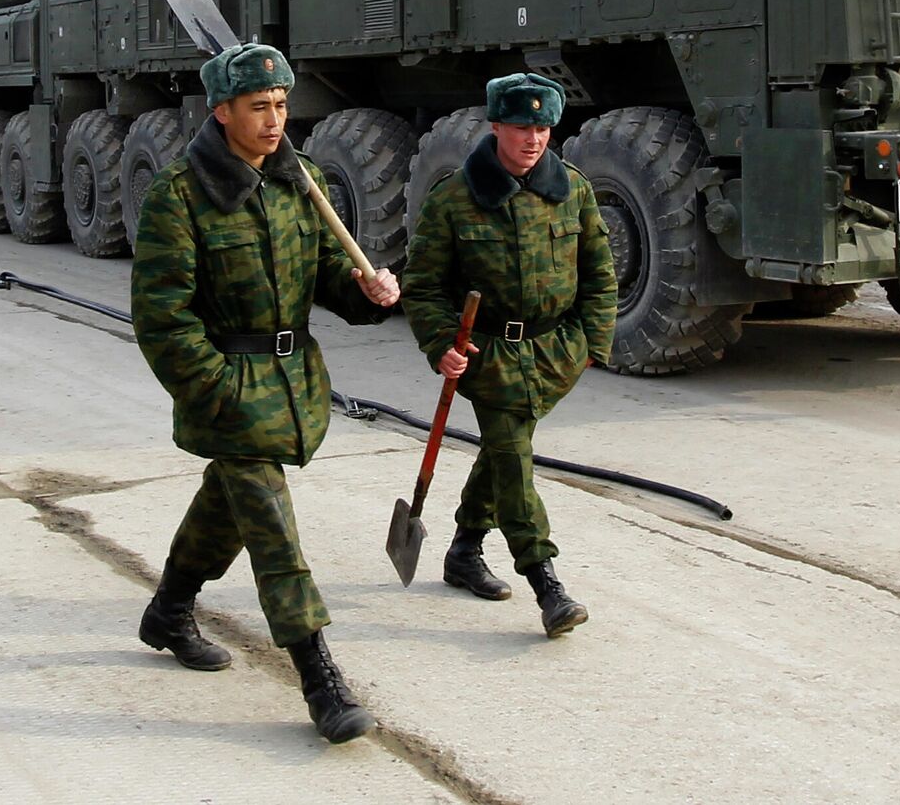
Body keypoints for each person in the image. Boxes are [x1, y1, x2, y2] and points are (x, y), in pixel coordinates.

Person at [131, 43, 401, 744]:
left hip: (292, 382)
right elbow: (162, 317)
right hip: (228, 381)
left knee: (227, 501)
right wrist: (216, 391)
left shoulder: (298, 182)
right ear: (222, 112)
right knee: (272, 527)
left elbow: (325, 279)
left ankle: (169, 610)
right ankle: (320, 679)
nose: (275, 118)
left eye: (281, 105)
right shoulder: (179, 196)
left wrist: (369, 292)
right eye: (259, 107)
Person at [403, 72, 617, 638]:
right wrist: (441, 344)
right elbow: (422, 286)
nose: (533, 138)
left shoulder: (573, 189)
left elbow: (600, 274)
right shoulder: (453, 197)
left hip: (556, 352)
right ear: (495, 125)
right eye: (521, 126)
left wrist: (591, 344)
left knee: (503, 450)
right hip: (490, 353)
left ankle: (464, 549)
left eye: (543, 126)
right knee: (515, 461)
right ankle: (545, 581)